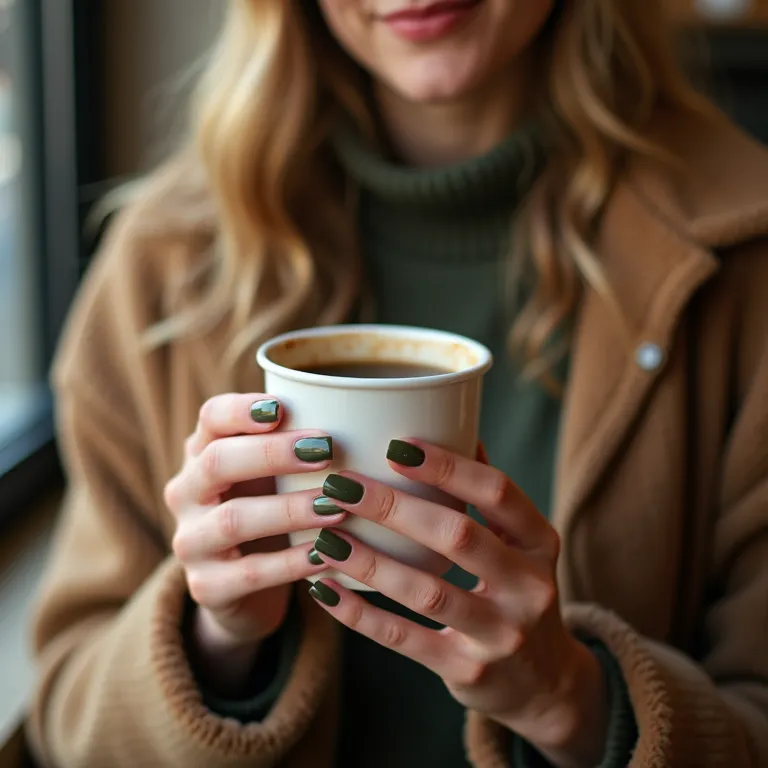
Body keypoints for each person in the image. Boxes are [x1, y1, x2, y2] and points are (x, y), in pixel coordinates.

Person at [25, 0, 768, 766]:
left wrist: (570, 700)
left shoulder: (747, 256)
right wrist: (217, 638)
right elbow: (63, 723)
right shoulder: (161, 265)